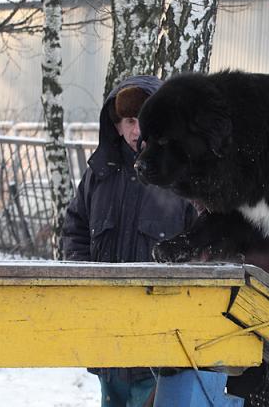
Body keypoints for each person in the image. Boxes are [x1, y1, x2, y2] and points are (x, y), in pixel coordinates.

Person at [62, 75, 197, 407]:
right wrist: (82, 277)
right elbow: (75, 228)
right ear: (117, 124)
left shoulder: (182, 178)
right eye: (129, 120)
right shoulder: (99, 174)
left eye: (144, 119)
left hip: (159, 338)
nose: (137, 129)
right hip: (106, 334)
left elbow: (205, 245)